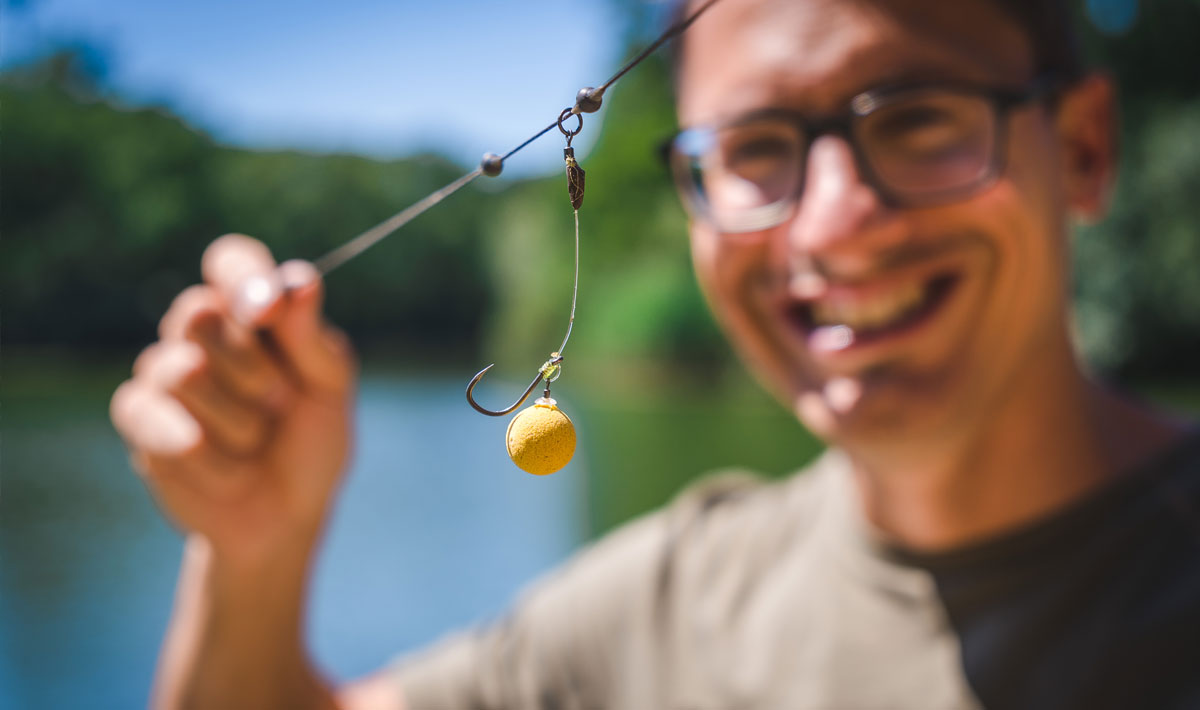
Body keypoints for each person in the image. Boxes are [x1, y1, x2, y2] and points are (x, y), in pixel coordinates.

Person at [109, 0, 1200, 707]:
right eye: (756, 146)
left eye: (916, 117)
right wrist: (253, 558)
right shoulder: (656, 607)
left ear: (1084, 147)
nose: (833, 225)